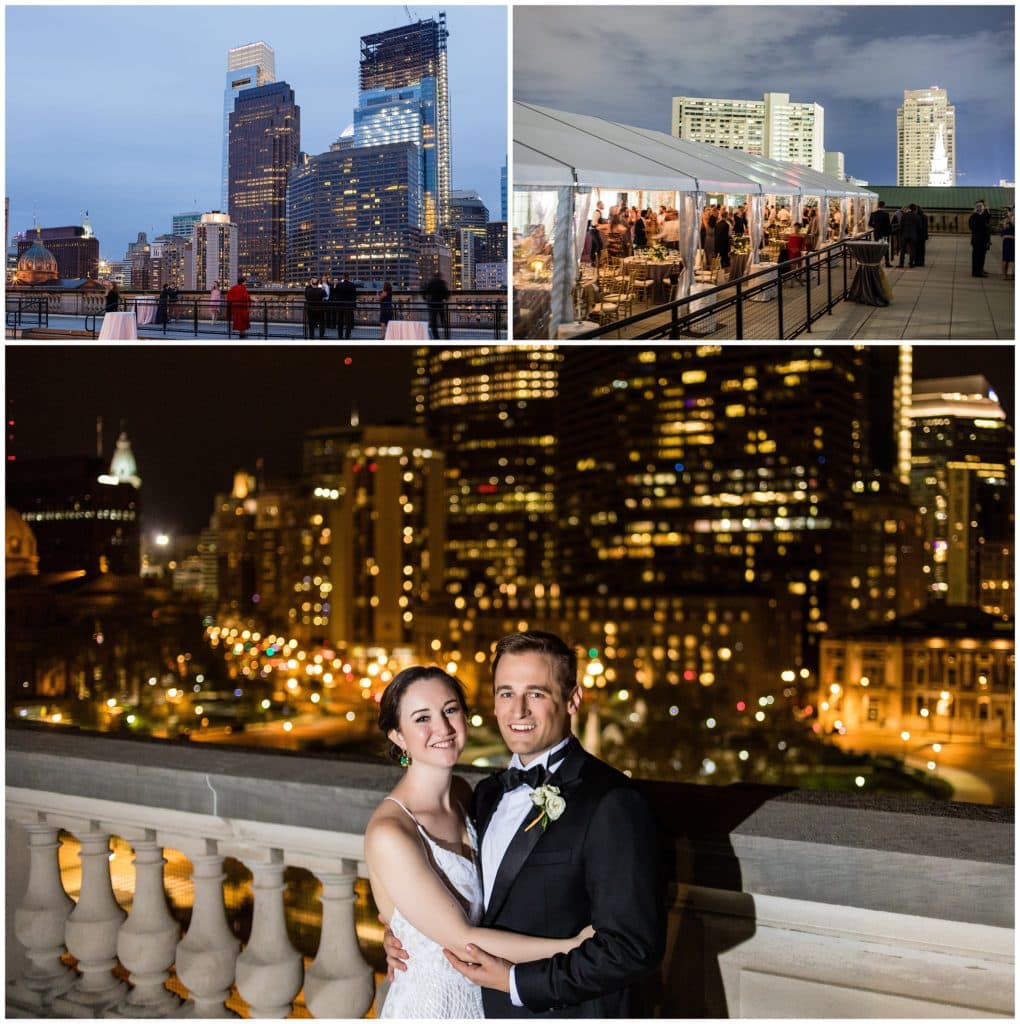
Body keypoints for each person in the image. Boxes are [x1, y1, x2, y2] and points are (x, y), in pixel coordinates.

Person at [386, 631, 666, 1018]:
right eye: (505, 693)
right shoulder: (483, 795)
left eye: (535, 693)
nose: (518, 711)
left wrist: (516, 982)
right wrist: (409, 935)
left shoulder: (612, 802)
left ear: (572, 700)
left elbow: (631, 948)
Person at [366, 665, 595, 1019]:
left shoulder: (464, 794)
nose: (442, 728)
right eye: (422, 718)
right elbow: (460, 938)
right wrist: (571, 947)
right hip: (433, 1008)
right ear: (398, 735)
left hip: (486, 1000)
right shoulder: (391, 831)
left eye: (450, 710)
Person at [423, 271, 450, 340]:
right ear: (439, 276)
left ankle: (436, 337)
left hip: (432, 304)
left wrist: (426, 300)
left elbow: (425, 291)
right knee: (443, 320)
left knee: (433, 322)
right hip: (440, 304)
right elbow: (447, 293)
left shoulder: (431, 283)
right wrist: (445, 299)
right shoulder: (442, 283)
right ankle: (446, 335)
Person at [969, 200, 992, 277]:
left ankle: (979, 270)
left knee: (981, 256)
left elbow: (988, 218)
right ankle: (977, 272)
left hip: (980, 240)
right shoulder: (976, 217)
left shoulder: (976, 216)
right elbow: (974, 227)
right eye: (982, 207)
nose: (983, 208)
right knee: (978, 256)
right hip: (979, 240)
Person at [868, 201, 892, 267]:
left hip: (877, 233)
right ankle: (887, 262)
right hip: (884, 233)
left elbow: (869, 223)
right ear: (883, 206)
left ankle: (876, 262)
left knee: (877, 247)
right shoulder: (886, 214)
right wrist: (889, 232)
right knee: (885, 248)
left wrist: (875, 227)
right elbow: (888, 225)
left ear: (878, 206)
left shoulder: (873, 214)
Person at [334, 273, 358, 338]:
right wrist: (353, 305)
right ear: (348, 277)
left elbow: (335, 294)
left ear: (343, 277)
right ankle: (347, 335)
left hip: (340, 305)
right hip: (349, 306)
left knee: (340, 321)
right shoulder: (352, 285)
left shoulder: (339, 284)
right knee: (348, 322)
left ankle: (340, 335)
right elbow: (354, 296)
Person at [898, 203, 922, 269]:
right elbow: (919, 227)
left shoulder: (904, 215)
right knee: (912, 250)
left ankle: (901, 263)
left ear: (909, 208)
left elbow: (901, 226)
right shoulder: (917, 216)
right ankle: (911, 263)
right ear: (915, 209)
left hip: (904, 234)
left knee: (902, 250)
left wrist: (901, 234)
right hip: (913, 235)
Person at [1001, 207, 1014, 280]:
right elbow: (1004, 230)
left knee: (1012, 259)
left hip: (1013, 241)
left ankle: (1010, 274)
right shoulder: (1006, 220)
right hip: (1007, 241)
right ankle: (1004, 274)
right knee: (1005, 258)